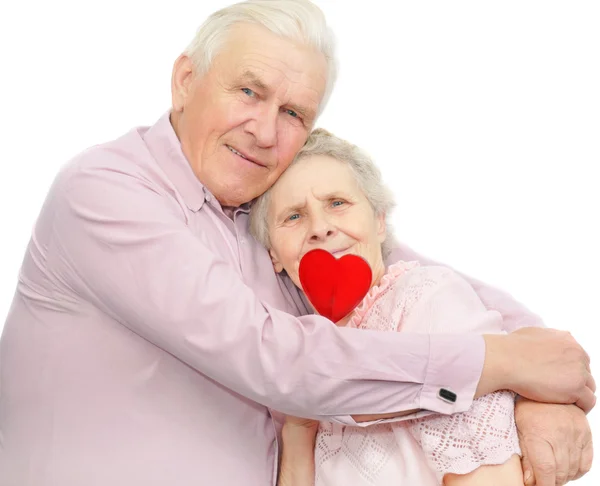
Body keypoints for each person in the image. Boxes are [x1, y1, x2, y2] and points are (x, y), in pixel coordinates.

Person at [0, 1, 594, 485]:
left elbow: (412, 273)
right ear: (185, 80)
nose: (264, 130)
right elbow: (276, 358)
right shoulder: (105, 191)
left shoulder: (274, 208)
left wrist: (539, 392)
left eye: (293, 113)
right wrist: (506, 364)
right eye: (248, 92)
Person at [250, 128, 530, 485]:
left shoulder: (428, 298)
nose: (320, 228)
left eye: (337, 203)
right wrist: (300, 425)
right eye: (293, 216)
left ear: (379, 221)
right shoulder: (301, 356)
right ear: (274, 254)